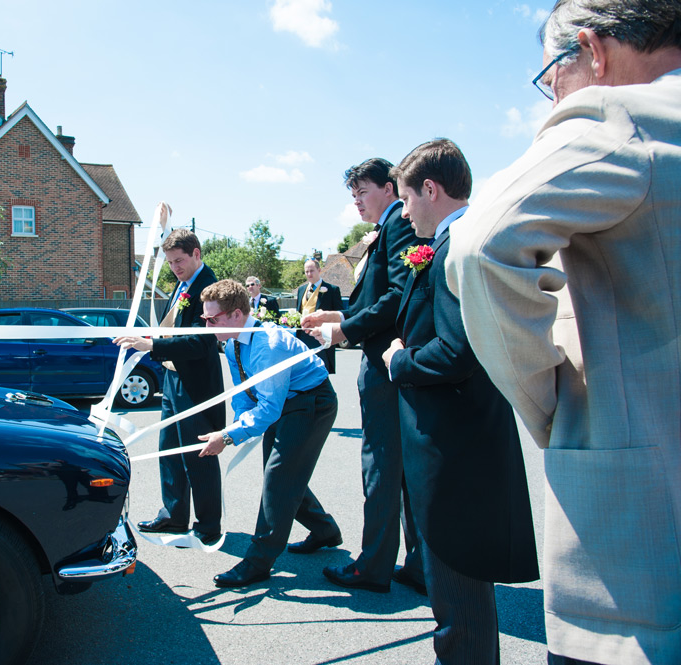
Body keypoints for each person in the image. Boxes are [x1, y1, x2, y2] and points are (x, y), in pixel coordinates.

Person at [444, 3, 681, 663]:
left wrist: (551, 403)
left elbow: (484, 246)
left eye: (552, 74)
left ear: (592, 51)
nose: (553, 91)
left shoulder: (621, 116)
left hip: (643, 565)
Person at [384, 139, 539, 664]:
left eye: (406, 199)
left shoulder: (459, 246)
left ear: (431, 189)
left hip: (455, 452)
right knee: (454, 600)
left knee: (459, 604)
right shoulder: (451, 243)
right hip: (450, 445)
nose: (403, 212)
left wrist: (399, 361)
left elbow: (457, 352)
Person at [302, 158, 425, 594]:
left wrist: (343, 329)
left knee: (381, 466)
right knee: (401, 469)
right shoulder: (390, 226)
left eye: (362, 192)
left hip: (385, 365)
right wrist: (337, 314)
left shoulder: (397, 226)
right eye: (352, 195)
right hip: (387, 362)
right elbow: (378, 298)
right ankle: (419, 564)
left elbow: (397, 297)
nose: (356, 202)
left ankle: (372, 566)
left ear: (390, 188)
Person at [196, 279, 340, 588]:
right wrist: (233, 428)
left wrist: (229, 436)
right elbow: (244, 393)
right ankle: (326, 531)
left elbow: (269, 408)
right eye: (204, 318)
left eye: (212, 318)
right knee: (282, 475)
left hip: (311, 402)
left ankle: (258, 562)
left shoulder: (267, 345)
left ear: (236, 314)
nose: (206, 324)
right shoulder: (233, 341)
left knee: (279, 477)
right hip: (285, 402)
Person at [115, 229, 225, 545]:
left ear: (197, 254)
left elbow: (200, 342)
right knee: (169, 450)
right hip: (172, 377)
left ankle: (207, 525)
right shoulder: (183, 284)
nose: (175, 268)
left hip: (195, 383)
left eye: (180, 261)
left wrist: (150, 346)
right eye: (171, 262)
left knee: (197, 452)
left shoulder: (209, 289)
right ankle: (174, 516)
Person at [295, 259, 340, 373]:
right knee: (304, 370)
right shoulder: (301, 290)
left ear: (319, 270)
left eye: (312, 271)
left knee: (321, 370)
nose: (309, 274)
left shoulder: (332, 290)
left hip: (321, 335)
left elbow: (338, 314)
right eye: (306, 271)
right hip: (303, 336)